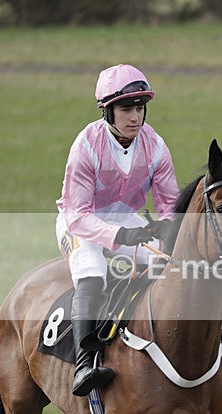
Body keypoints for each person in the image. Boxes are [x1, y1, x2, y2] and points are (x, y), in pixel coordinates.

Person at [55, 64, 178, 396]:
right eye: (126, 108)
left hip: (126, 219)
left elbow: (170, 204)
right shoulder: (86, 145)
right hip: (79, 223)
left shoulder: (155, 145)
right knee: (93, 271)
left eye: (140, 107)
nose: (135, 116)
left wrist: (166, 229)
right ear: (107, 110)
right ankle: (84, 362)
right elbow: (78, 215)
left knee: (170, 265)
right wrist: (120, 237)